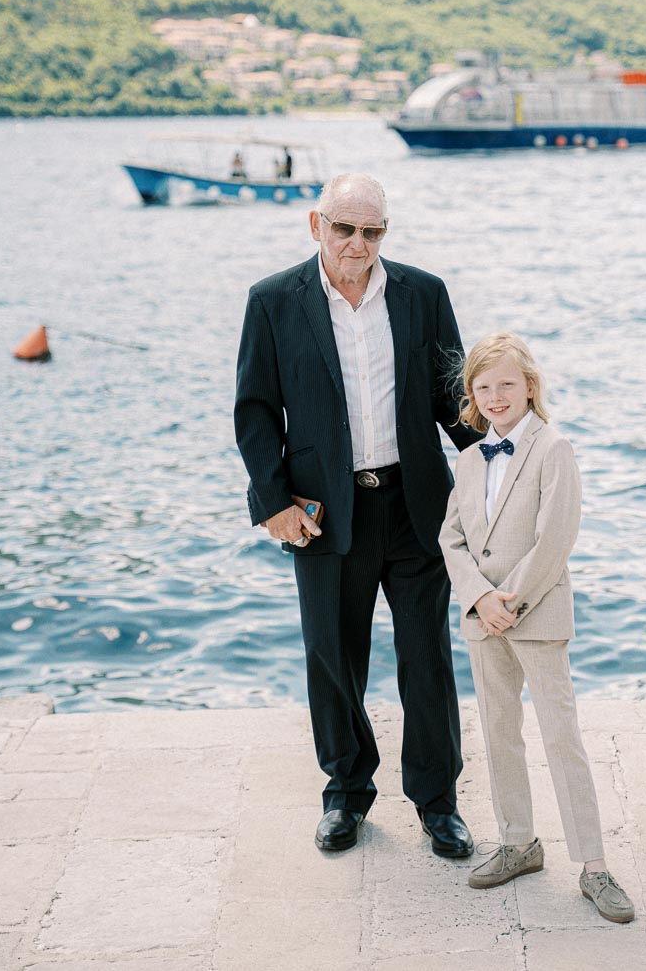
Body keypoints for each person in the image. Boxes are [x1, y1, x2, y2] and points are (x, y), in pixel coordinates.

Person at [234, 172, 478, 858]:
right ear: (318, 225)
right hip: (322, 511)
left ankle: (438, 802)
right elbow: (255, 411)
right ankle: (346, 793)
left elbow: (452, 399)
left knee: (426, 657)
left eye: (371, 231)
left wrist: (507, 458)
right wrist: (273, 504)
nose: (357, 243)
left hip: (416, 504)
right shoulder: (273, 301)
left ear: (384, 234)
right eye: (344, 228)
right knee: (333, 657)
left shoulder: (423, 294)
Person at [439, 331, 635, 922]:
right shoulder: (470, 459)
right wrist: (479, 598)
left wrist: (510, 600)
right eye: (483, 387)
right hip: (484, 620)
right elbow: (451, 538)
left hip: (535, 613)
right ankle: (518, 841)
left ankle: (594, 865)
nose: (495, 396)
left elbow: (555, 537)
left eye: (506, 384)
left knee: (560, 737)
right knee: (499, 733)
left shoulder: (554, 449)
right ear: (472, 396)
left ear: (529, 386)